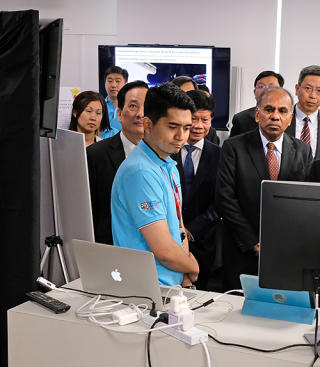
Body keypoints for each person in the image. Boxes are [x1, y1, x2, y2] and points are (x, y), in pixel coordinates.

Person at [215, 86, 313, 290]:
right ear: (257, 114)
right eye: (269, 110)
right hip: (242, 250)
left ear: (290, 117)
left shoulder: (302, 150)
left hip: (287, 252)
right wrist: (253, 242)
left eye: (282, 111)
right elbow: (225, 198)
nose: (275, 116)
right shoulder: (234, 147)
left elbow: (306, 200)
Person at [111, 86, 199, 287]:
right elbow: (165, 252)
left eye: (186, 128)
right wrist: (192, 267)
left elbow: (178, 227)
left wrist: (184, 276)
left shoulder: (168, 164)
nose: (181, 136)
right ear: (148, 125)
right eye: (172, 126)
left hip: (171, 284)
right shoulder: (140, 171)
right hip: (146, 288)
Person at [86, 81, 148, 245]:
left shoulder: (166, 156)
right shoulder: (95, 155)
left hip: (152, 250)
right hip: (110, 248)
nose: (140, 114)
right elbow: (89, 211)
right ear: (119, 114)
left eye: (146, 107)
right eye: (133, 106)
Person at [172, 89, 222, 289]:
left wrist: (191, 231)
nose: (199, 126)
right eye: (194, 119)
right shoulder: (168, 151)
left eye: (205, 120)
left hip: (203, 240)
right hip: (167, 238)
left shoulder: (220, 155)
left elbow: (220, 200)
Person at [287, 65, 320, 160]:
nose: (312, 95)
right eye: (308, 88)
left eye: (319, 90)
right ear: (297, 89)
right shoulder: (282, 118)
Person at [229, 70, 283, 136]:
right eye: (261, 87)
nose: (266, 90)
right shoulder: (241, 119)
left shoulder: (288, 118)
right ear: (254, 92)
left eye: (272, 87)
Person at [99, 65, 128, 139]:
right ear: (105, 83)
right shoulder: (98, 106)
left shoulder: (131, 107)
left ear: (126, 84)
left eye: (118, 81)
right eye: (109, 81)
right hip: (102, 146)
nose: (113, 85)